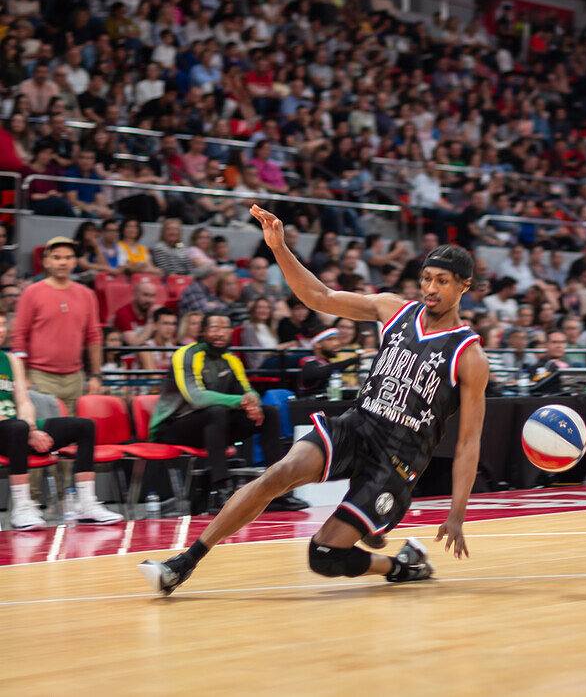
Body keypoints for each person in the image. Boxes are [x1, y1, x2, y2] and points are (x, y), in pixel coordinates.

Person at [139, 204, 489, 596]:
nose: (429, 288)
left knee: (322, 555)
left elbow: (468, 441)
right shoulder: (394, 309)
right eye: (426, 278)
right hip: (359, 425)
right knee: (276, 474)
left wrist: (457, 514)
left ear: (464, 286)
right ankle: (183, 564)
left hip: (397, 458)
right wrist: (279, 248)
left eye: (441, 281)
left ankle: (400, 563)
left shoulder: (470, 356)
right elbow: (319, 296)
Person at [148, 312, 297, 514]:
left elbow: (246, 390)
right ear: (202, 332)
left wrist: (252, 400)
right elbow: (197, 398)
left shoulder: (231, 359)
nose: (220, 334)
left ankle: (276, 490)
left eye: (225, 328)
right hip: (173, 427)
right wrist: (241, 401)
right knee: (215, 411)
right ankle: (220, 490)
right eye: (214, 328)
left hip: (213, 427)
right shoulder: (186, 354)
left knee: (269, 411)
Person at [0, 313, 123, 529]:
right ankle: (22, 507)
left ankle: (85, 503)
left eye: (2, 325)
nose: (1, 331)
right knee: (18, 427)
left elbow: (23, 401)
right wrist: (28, 431)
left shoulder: (10, 360)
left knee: (84, 425)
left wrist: (31, 429)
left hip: (18, 429)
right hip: (8, 429)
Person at [10, 236, 103, 413]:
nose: (63, 262)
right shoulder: (31, 292)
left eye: (68, 258)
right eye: (57, 257)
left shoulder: (87, 294)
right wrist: (23, 377)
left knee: (71, 434)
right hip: (40, 376)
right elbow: (19, 337)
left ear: (75, 261)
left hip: (76, 376)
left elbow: (94, 336)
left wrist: (96, 375)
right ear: (46, 262)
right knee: (44, 432)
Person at [298, 328, 366, 396]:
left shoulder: (326, 363)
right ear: (317, 344)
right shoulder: (308, 362)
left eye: (337, 339)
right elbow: (321, 372)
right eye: (330, 339)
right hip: (311, 404)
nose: (337, 343)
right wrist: (353, 360)